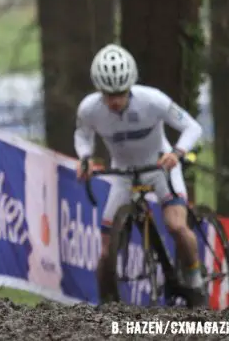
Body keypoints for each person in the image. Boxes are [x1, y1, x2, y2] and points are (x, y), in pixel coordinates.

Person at [74, 43, 206, 306]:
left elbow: (192, 127)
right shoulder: (89, 108)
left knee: (177, 226)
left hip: (159, 167)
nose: (114, 101)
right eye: (108, 94)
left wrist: (177, 153)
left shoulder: (152, 100)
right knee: (105, 251)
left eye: (120, 93)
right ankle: (107, 307)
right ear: (99, 90)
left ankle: (195, 283)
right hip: (123, 174)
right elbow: (82, 135)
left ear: (130, 85)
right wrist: (85, 159)